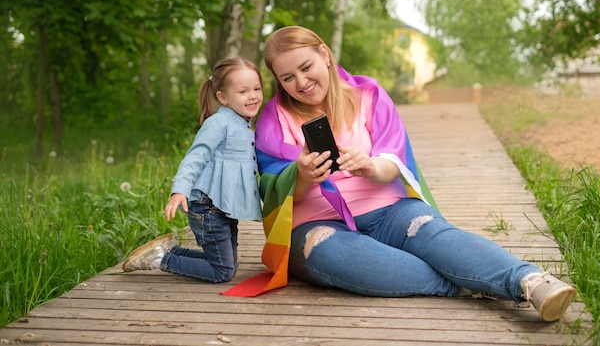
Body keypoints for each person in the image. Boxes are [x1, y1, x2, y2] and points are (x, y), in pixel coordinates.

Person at [223, 26, 577, 322]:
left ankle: (529, 281)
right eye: (287, 77)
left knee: (432, 233)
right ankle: (469, 281)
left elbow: (395, 158)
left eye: (306, 67)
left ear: (324, 55)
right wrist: (301, 175)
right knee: (332, 255)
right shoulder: (272, 119)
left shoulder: (368, 94)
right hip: (316, 225)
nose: (301, 82)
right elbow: (272, 191)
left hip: (387, 208)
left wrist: (370, 166)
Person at [122, 56, 264, 283]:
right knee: (223, 272)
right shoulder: (219, 123)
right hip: (209, 207)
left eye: (257, 88)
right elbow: (195, 157)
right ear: (223, 97)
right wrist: (180, 190)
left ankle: (171, 252)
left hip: (224, 207)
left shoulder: (244, 123)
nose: (253, 95)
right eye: (243, 91)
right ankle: (159, 261)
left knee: (229, 264)